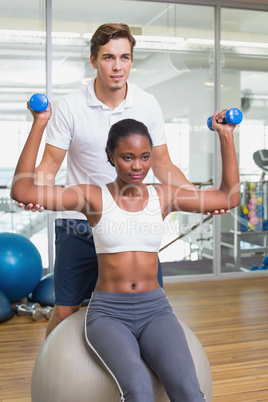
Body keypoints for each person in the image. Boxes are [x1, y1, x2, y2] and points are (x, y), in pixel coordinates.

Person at [11, 105, 239, 402]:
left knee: (189, 392)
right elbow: (22, 191)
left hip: (156, 310)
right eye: (127, 157)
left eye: (144, 157)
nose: (138, 166)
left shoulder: (164, 196)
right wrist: (40, 122)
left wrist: (225, 135)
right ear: (110, 156)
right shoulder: (93, 196)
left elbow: (228, 196)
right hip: (109, 314)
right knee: (140, 391)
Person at [19, 23, 228, 337]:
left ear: (131, 60)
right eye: (108, 58)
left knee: (148, 308)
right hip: (79, 222)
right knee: (65, 310)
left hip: (133, 220)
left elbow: (162, 164)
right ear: (94, 61)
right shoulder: (71, 106)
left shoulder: (147, 104)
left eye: (124, 57)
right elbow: (50, 163)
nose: (117, 67)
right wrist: (39, 191)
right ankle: (47, 380)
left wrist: (199, 199)